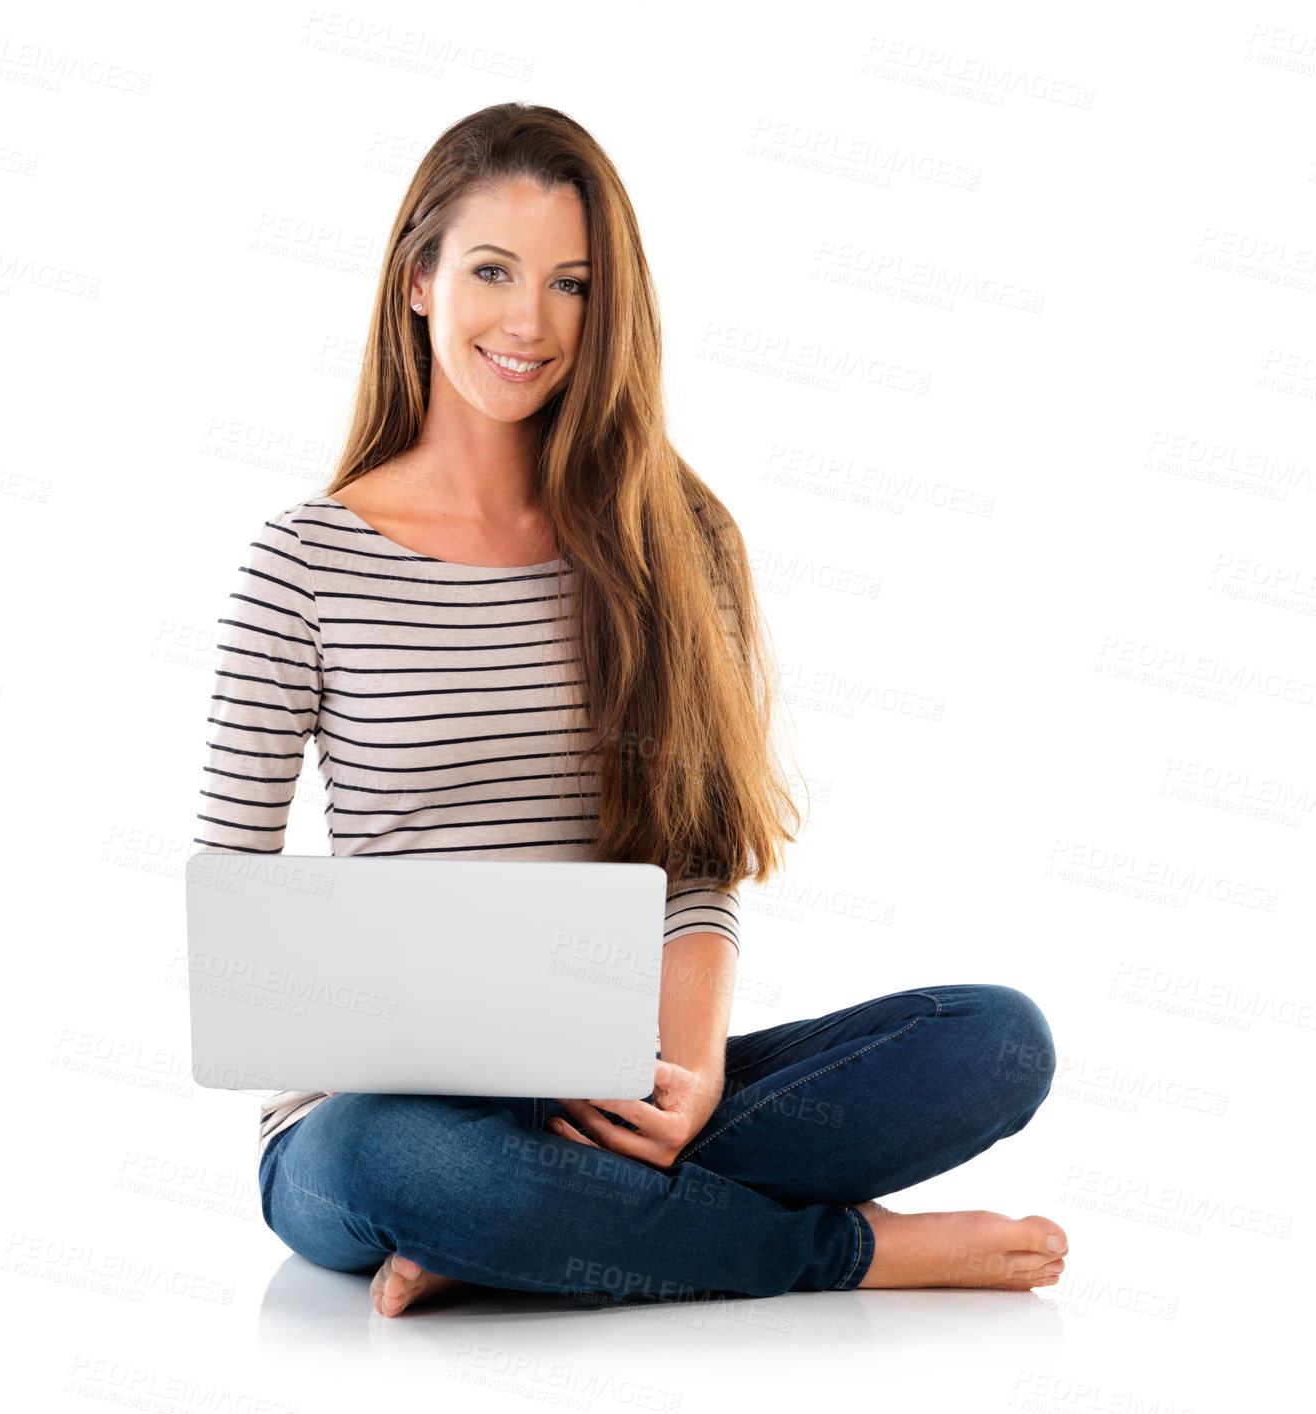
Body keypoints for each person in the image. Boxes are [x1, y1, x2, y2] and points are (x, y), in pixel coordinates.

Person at [194, 102, 1066, 1317]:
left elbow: (694, 860)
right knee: (388, 1160)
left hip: (609, 1089)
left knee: (995, 1040)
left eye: (572, 283)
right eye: (491, 270)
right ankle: (840, 1252)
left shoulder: (672, 539)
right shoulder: (302, 563)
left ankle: (520, 1230)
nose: (527, 321)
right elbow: (239, 906)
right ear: (416, 284)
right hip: (375, 1119)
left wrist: (694, 1068)